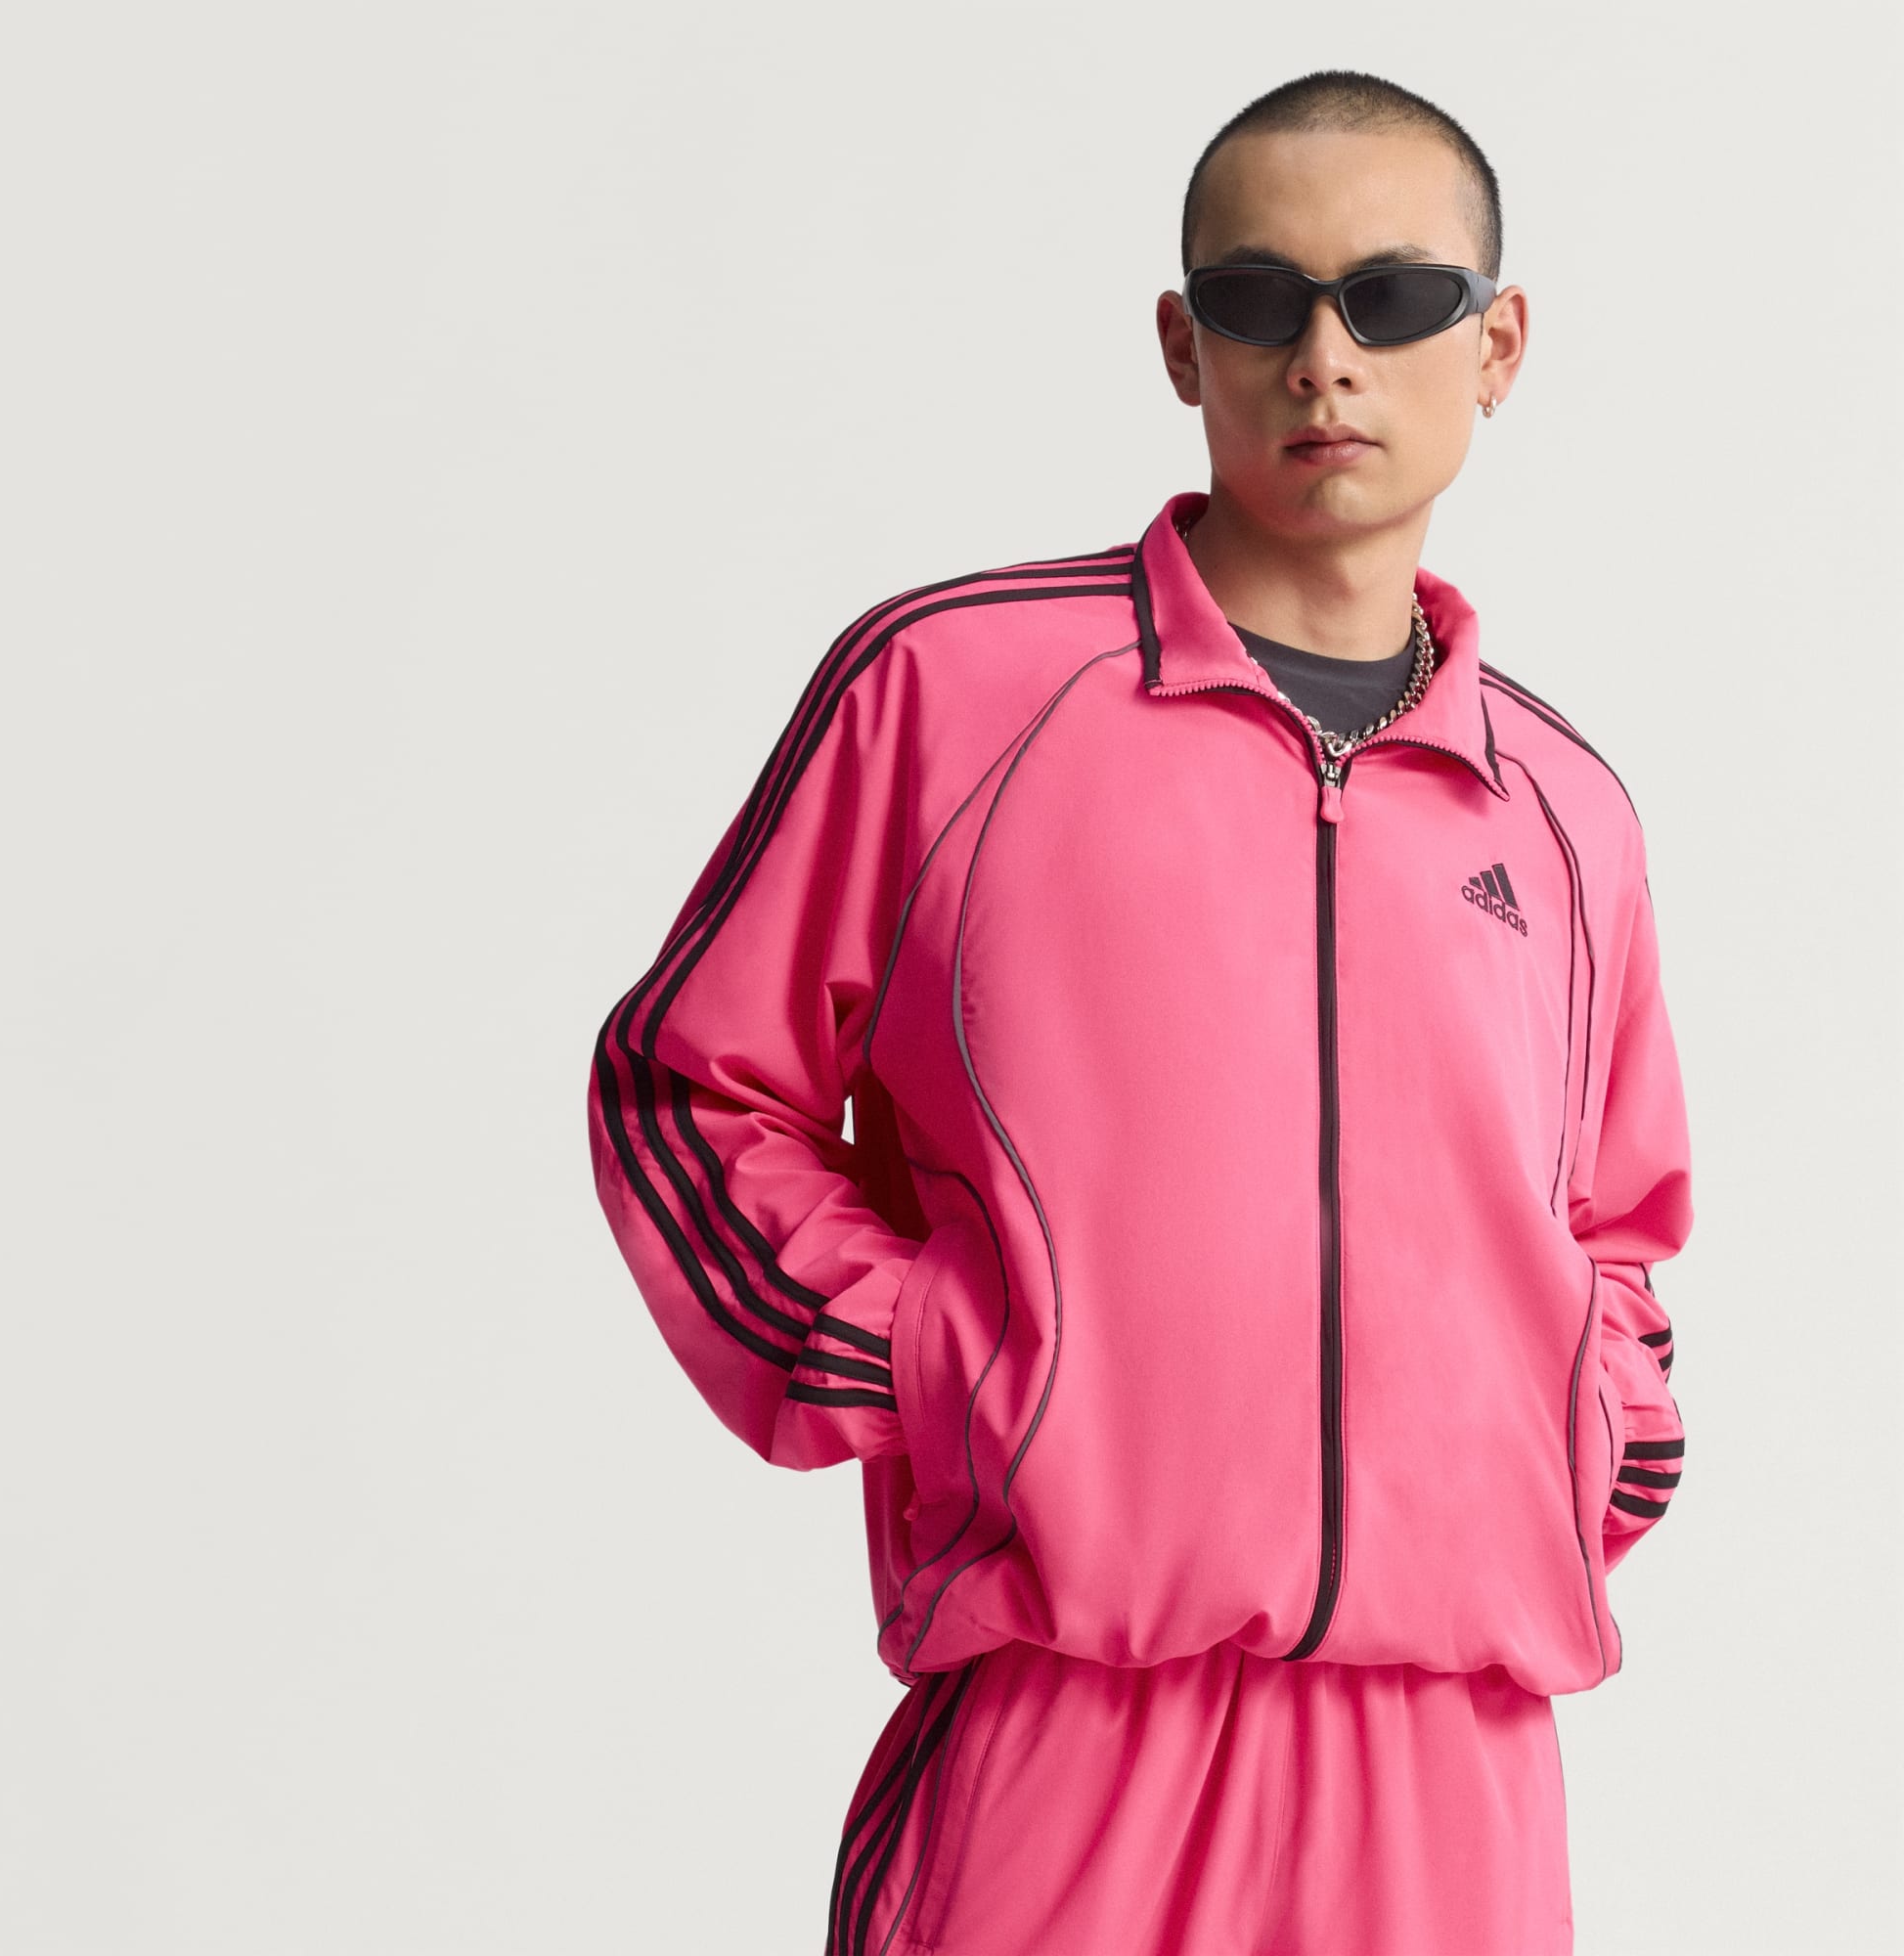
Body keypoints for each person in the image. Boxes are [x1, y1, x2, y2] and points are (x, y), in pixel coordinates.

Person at [587, 67, 1692, 1956]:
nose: (1325, 358)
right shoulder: (955, 692)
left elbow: (1616, 1227)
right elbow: (686, 1087)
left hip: (1459, 1769)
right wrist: (933, 1359)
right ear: (1184, 346)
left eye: (1394, 299)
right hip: (1067, 1731)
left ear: (1498, 345)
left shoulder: (1566, 812)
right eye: (1261, 301)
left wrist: (1594, 1432)